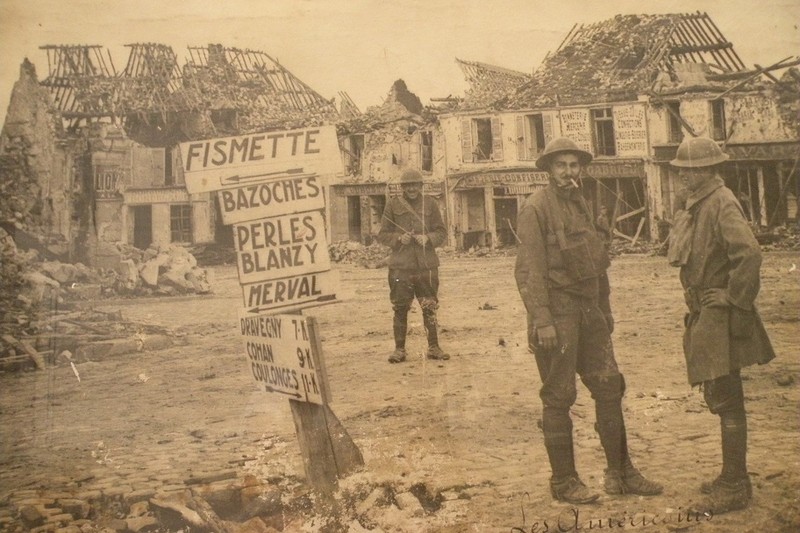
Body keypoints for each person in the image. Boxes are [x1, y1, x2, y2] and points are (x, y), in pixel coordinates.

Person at [514, 137, 662, 504]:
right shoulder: (535, 208)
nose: (569, 172)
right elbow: (528, 272)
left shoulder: (581, 204)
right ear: (548, 169)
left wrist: (605, 307)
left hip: (589, 309)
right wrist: (543, 321)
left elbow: (598, 263)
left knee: (610, 386)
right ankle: (564, 481)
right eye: (561, 165)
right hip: (557, 313)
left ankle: (621, 472)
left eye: (574, 165)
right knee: (559, 395)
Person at [667, 136, 775, 515]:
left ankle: (735, 484)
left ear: (707, 172)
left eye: (689, 171)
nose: (681, 177)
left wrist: (733, 297)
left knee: (727, 396)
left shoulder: (721, 201)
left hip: (719, 313)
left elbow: (749, 253)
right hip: (705, 311)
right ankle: (731, 475)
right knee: (721, 392)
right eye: (681, 171)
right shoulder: (699, 204)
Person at [377, 168, 449, 363]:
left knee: (429, 307)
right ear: (402, 188)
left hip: (426, 266)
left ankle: (433, 347)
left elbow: (442, 232)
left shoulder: (431, 204)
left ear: (420, 186)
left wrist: (428, 238)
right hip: (401, 266)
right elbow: (382, 235)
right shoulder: (392, 205)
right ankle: (399, 350)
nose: (412, 189)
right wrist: (400, 238)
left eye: (415, 185)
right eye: (407, 185)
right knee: (400, 308)